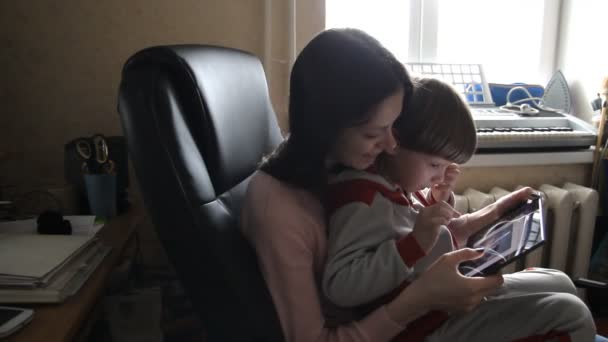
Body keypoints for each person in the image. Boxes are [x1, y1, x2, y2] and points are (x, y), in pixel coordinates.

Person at [240, 28, 596, 342]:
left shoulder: (344, 164)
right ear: (327, 122)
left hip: (415, 307)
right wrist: (421, 299)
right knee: (570, 314)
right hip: (403, 325)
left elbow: (395, 240)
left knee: (558, 282)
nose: (393, 145)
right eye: (373, 133)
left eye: (395, 126)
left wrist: (485, 217)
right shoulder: (281, 207)